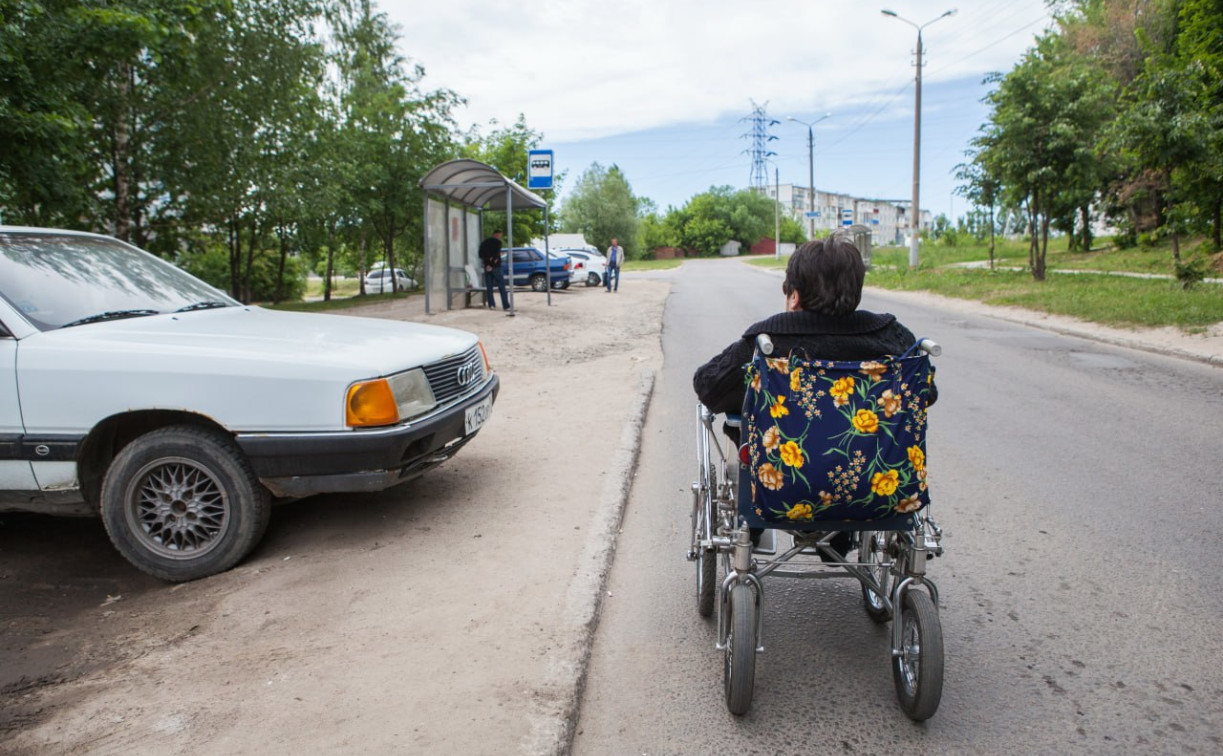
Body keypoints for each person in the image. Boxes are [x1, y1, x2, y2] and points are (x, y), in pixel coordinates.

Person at [692, 233, 936, 553]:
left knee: (745, 421)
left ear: (794, 296)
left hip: (780, 492)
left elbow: (707, 386)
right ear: (856, 291)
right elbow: (925, 394)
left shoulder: (767, 345)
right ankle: (839, 533)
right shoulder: (894, 338)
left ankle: (755, 527)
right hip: (876, 492)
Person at [478, 230, 509, 310]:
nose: (500, 237)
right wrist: (492, 264)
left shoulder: (484, 243)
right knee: (501, 286)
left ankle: (491, 305)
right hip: (496, 266)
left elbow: (480, 254)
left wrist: (488, 264)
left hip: (487, 266)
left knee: (489, 286)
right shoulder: (497, 243)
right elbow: (496, 255)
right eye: (500, 235)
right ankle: (505, 305)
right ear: (497, 234)